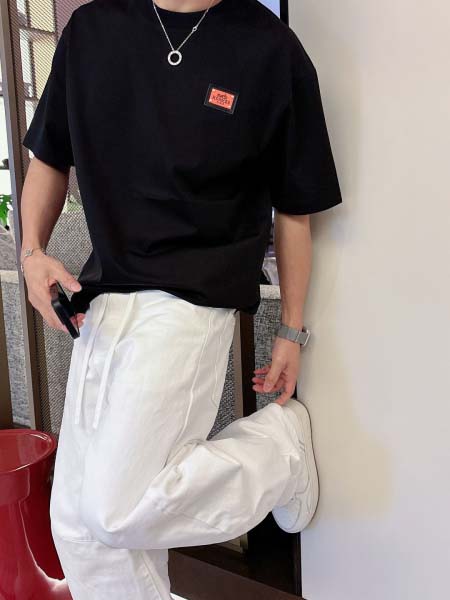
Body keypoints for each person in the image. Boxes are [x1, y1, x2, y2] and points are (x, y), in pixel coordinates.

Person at [20, 0, 343, 597]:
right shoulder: (91, 30)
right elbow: (49, 157)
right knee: (76, 526)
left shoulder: (270, 49)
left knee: (115, 508)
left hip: (192, 302)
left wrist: (291, 329)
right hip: (103, 301)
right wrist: (32, 253)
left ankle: (281, 452)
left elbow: (294, 209)